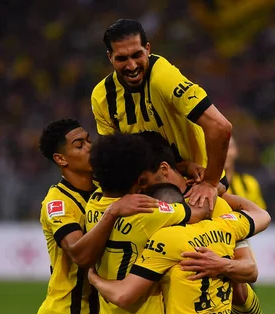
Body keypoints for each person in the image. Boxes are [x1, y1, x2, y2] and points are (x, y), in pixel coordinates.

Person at [88, 183, 271, 314]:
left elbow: (123, 295)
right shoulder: (224, 227)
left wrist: (94, 278)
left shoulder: (167, 239)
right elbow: (262, 215)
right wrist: (220, 192)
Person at [139, 131, 275, 314]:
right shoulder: (151, 193)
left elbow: (251, 268)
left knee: (239, 288)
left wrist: (218, 194)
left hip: (219, 220)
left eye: (145, 180)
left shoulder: (213, 189)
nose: (142, 186)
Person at [33, 119, 158, 314]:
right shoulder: (59, 201)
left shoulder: (104, 189)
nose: (90, 147)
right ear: (61, 159)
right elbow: (80, 254)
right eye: (79, 145)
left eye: (89, 140)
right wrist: (113, 213)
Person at [84, 133, 209, 314]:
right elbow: (200, 211)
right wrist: (211, 185)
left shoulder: (94, 204)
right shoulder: (149, 211)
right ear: (139, 178)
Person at [91, 18, 232, 210]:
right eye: (122, 58)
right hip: (149, 193)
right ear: (110, 57)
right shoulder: (102, 97)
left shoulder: (164, 78)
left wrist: (210, 183)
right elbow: (114, 160)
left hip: (195, 186)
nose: (132, 66)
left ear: (148, 49)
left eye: (137, 55)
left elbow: (220, 127)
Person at [224, 136, 267, 314]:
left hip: (239, 259)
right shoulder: (198, 182)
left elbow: (259, 218)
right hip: (210, 256)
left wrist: (231, 228)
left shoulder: (248, 184)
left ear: (237, 152)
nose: (226, 149)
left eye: (230, 144)